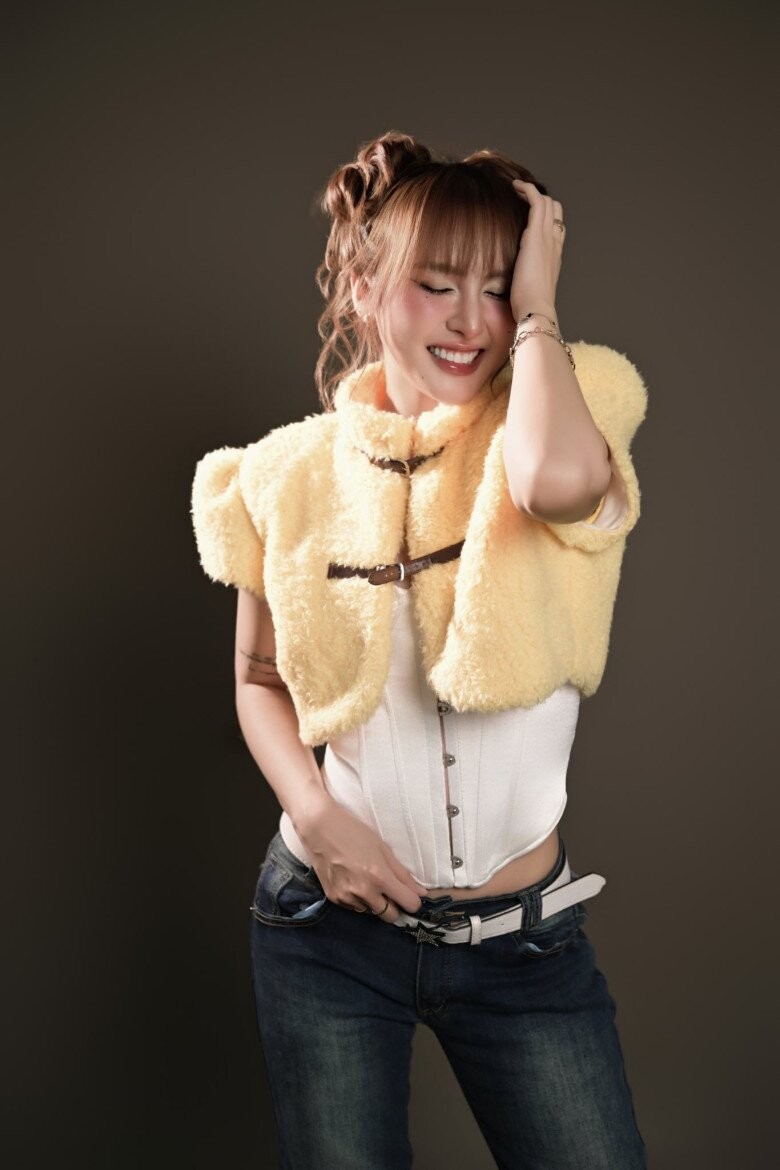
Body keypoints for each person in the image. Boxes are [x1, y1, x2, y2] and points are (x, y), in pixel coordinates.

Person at [190, 130, 648, 1169]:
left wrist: (541, 308)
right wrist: (318, 818)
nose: (470, 321)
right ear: (362, 286)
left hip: (525, 946)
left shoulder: (570, 411)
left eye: (498, 290)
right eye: (436, 286)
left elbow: (552, 484)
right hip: (326, 934)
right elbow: (256, 679)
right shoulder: (284, 474)